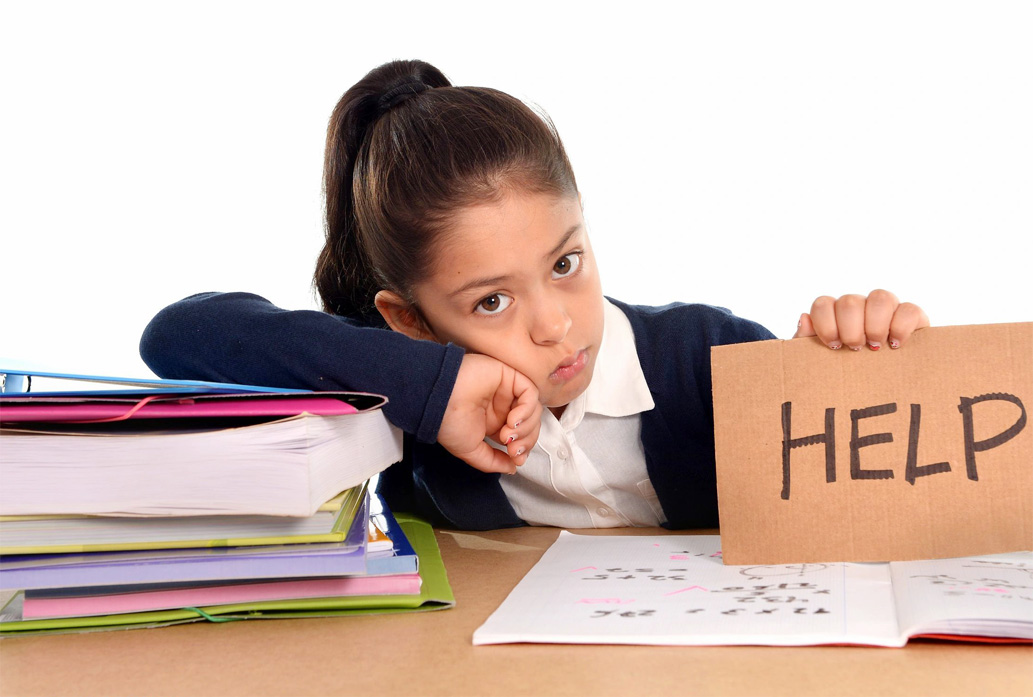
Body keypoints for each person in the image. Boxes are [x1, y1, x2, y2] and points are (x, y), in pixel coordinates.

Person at [140, 59, 929, 530]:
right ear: (408, 320)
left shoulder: (707, 357)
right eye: (491, 301)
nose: (555, 324)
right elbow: (176, 334)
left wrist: (868, 359)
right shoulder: (411, 401)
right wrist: (432, 386)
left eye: (564, 263)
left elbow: (889, 491)